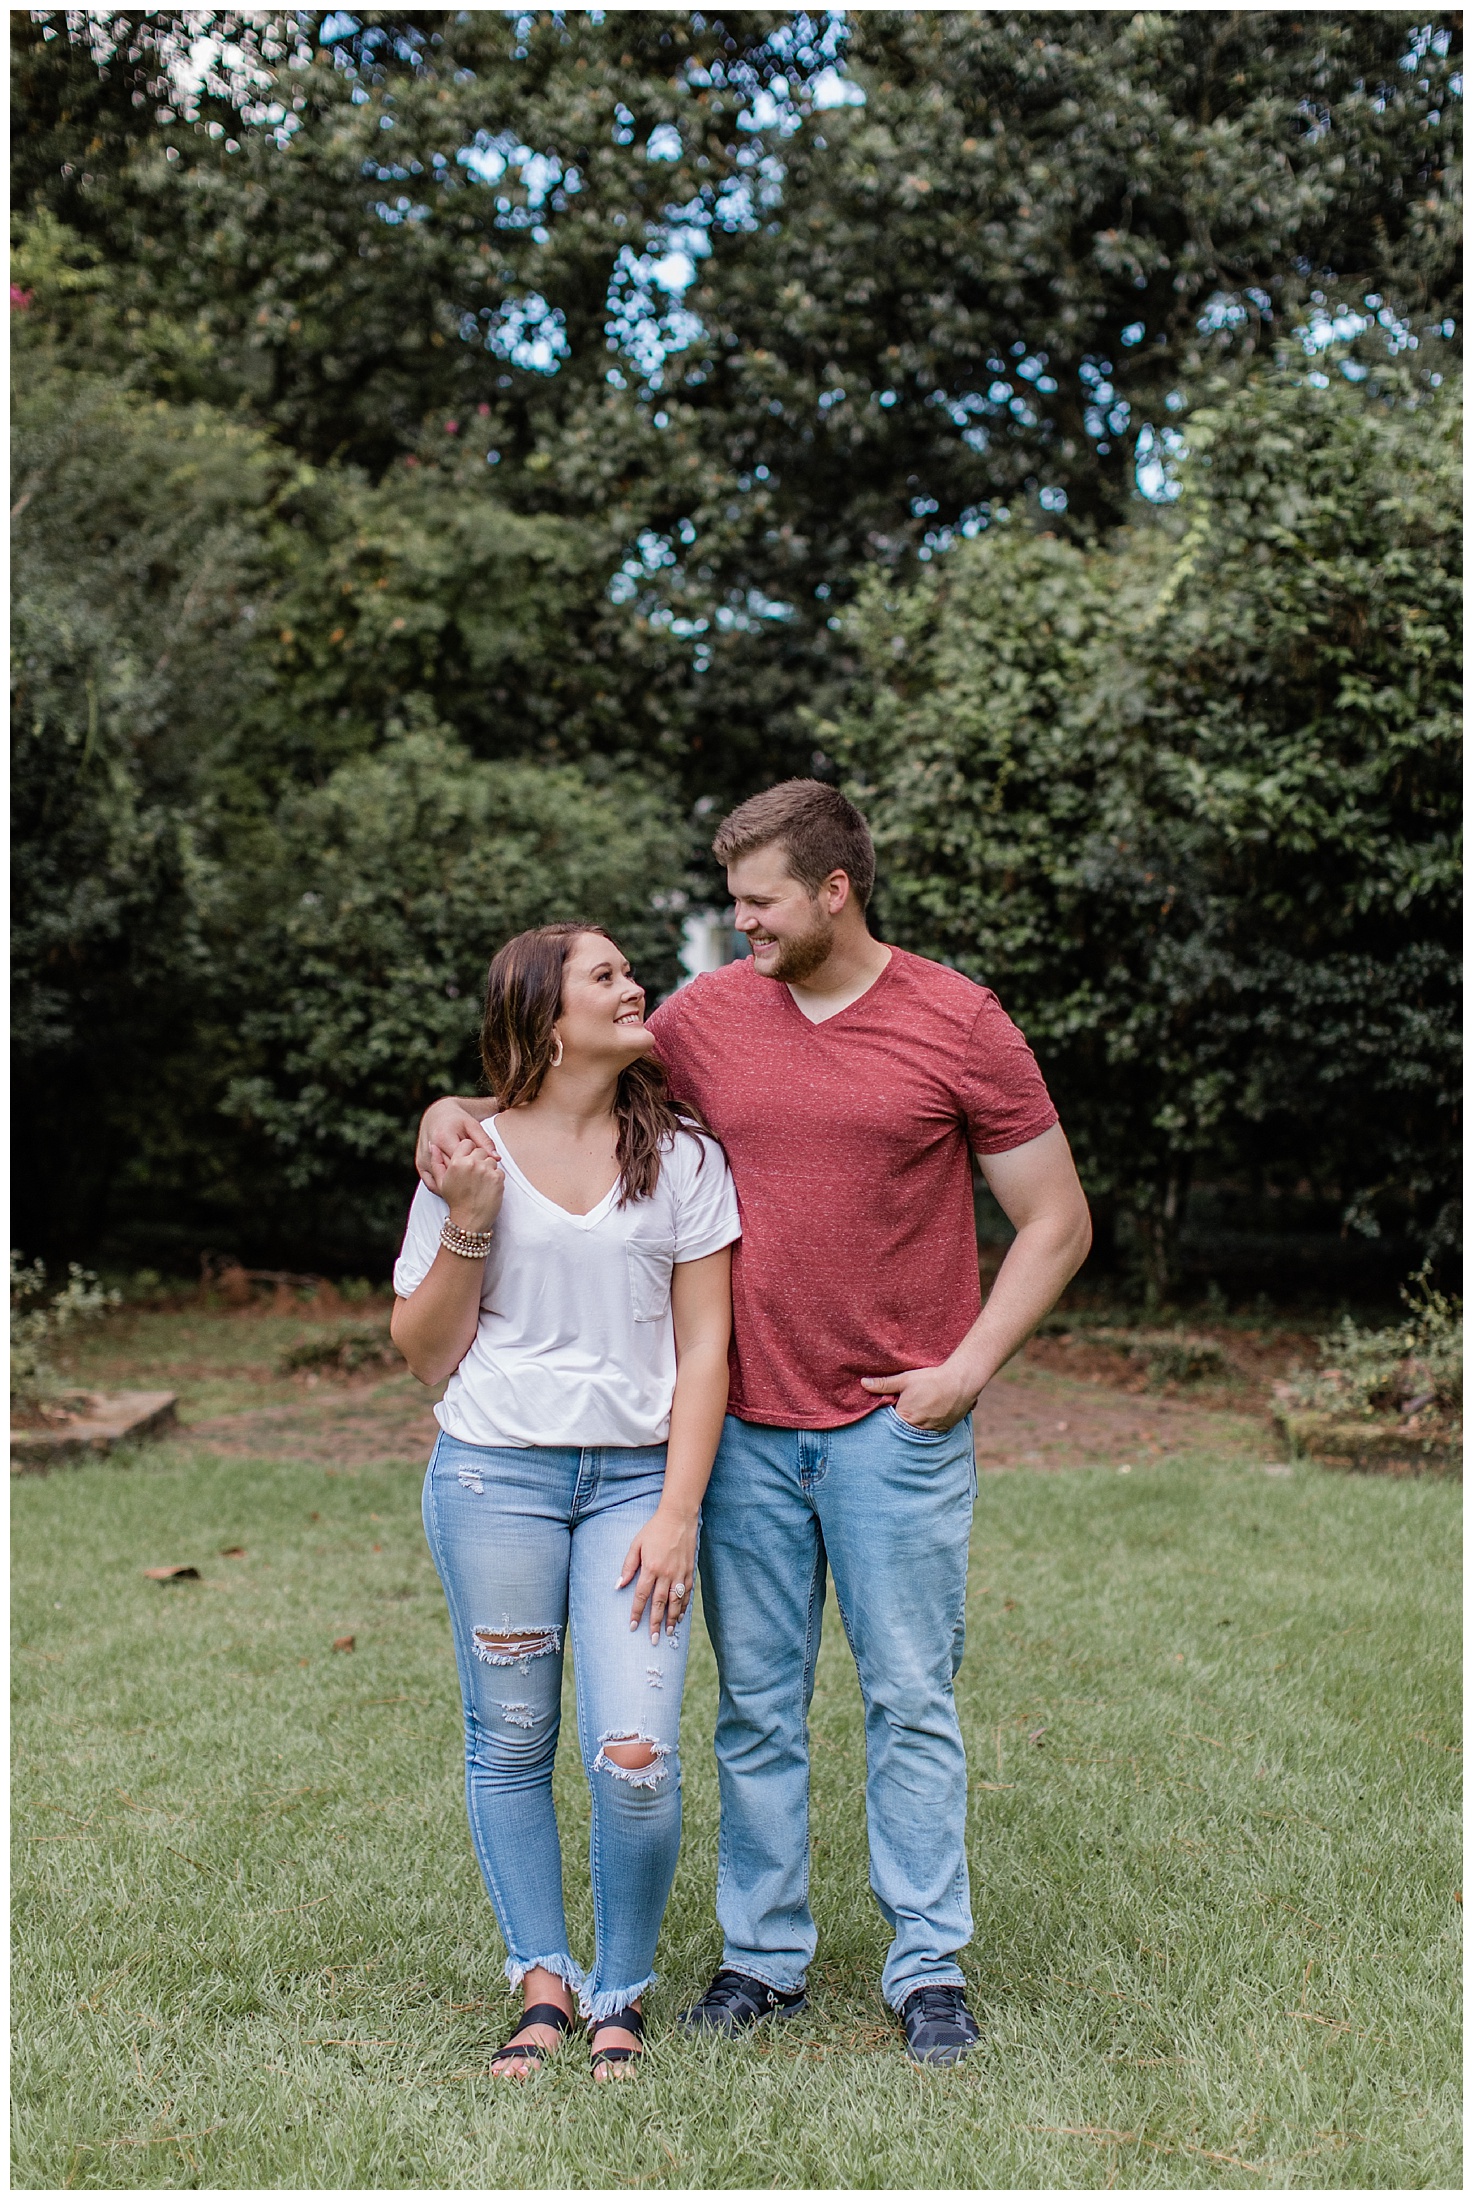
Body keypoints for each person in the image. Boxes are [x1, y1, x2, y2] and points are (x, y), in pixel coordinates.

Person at [416, 783, 1092, 2066]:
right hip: (737, 1432)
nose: (738, 926)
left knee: (909, 1696)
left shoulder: (960, 1021)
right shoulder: (710, 1014)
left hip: (898, 1425)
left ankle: (926, 1961)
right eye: (731, 902)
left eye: (759, 901)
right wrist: (442, 1116)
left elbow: (1056, 1218)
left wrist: (966, 1367)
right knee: (757, 1710)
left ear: (836, 889)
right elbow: (552, 1073)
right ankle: (763, 1954)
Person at [392, 922, 739, 2081]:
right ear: (545, 1017)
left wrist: (680, 1507)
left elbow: (707, 1350)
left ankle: (623, 1990)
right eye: (606, 975)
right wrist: (472, 1212)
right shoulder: (466, 1151)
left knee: (634, 1754)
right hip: (495, 1479)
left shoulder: (683, 1157)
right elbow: (424, 1353)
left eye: (629, 969)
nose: (634, 984)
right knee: (510, 1739)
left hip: (639, 1483)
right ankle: (544, 1982)